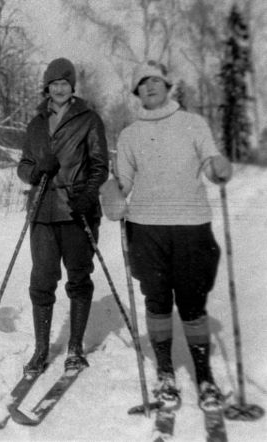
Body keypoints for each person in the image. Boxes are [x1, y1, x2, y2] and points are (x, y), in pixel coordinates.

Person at [115, 60, 232, 411]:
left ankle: (204, 377)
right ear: (137, 93)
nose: (149, 88)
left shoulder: (193, 124)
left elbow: (212, 164)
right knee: (157, 301)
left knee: (193, 302)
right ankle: (165, 374)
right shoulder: (129, 134)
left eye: (155, 82)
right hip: (146, 227)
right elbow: (123, 180)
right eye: (142, 84)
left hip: (191, 225)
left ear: (168, 86)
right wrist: (113, 193)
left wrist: (219, 168)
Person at [16, 58, 109, 375]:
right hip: (42, 209)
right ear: (47, 87)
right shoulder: (36, 124)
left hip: (76, 210)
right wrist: (35, 170)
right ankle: (41, 350)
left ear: (72, 87)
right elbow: (23, 165)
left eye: (64, 82)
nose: (59, 88)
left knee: (79, 276)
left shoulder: (89, 119)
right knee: (42, 279)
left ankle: (75, 348)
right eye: (54, 83)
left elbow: (100, 166)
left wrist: (88, 194)